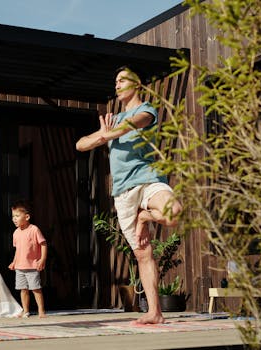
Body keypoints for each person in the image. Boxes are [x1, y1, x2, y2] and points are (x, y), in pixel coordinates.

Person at [76, 66, 182, 324]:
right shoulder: (112, 121)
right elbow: (81, 144)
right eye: (115, 81)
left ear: (137, 84)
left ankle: (145, 216)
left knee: (173, 214)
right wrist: (102, 135)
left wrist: (111, 133)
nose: (117, 84)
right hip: (123, 192)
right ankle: (155, 312)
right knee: (143, 254)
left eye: (122, 80)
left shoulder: (146, 110)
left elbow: (134, 123)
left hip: (148, 179)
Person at [8, 200, 47, 318]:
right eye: (13, 216)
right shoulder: (16, 233)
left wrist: (42, 259)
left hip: (32, 266)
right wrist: (14, 262)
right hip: (20, 267)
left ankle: (41, 311)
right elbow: (18, 250)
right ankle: (25, 311)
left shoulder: (34, 230)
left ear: (27, 217)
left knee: (35, 289)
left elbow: (43, 244)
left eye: (17, 216)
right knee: (23, 290)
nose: (14, 219)